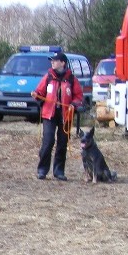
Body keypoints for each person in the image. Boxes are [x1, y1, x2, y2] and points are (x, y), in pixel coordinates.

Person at [31, 51, 84, 181]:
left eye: (55, 60)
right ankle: (42, 170)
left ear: (62, 63)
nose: (52, 62)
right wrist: (36, 95)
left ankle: (59, 171)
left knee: (62, 143)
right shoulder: (48, 77)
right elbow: (39, 91)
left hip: (65, 116)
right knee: (48, 142)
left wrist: (74, 104)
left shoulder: (72, 79)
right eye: (52, 60)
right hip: (49, 114)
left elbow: (79, 97)